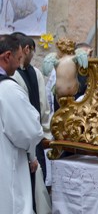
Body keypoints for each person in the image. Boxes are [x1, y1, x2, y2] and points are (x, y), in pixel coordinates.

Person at [0, 34, 44, 214]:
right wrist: (32, 155)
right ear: (6, 56)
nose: (19, 65)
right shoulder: (8, 90)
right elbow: (30, 131)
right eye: (18, 59)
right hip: (7, 164)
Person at [11, 33, 52, 214]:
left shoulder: (36, 73)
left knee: (37, 178)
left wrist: (45, 132)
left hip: (36, 136)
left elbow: (44, 105)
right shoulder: (12, 77)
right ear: (27, 49)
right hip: (21, 137)